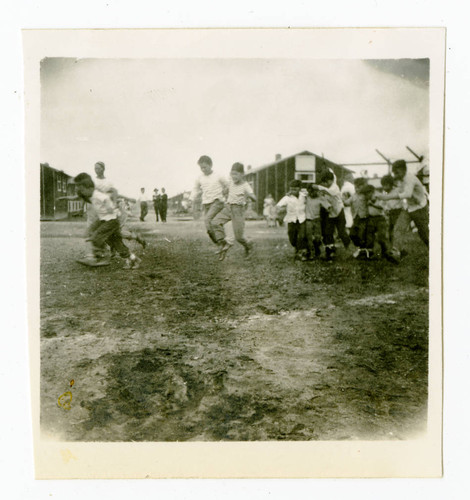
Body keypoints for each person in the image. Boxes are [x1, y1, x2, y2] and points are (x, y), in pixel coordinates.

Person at [73, 173, 141, 269]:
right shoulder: (90, 196)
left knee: (97, 236)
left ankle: (100, 257)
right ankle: (135, 260)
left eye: (83, 190)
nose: (83, 193)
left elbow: (106, 198)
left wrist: (110, 207)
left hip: (111, 221)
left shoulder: (97, 195)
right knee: (117, 244)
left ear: (89, 188)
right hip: (105, 220)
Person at [376, 160, 429, 247]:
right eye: (394, 173)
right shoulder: (401, 180)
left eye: (397, 173)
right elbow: (398, 191)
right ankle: (396, 252)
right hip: (409, 208)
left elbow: (407, 194)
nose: (395, 175)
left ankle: (434, 252)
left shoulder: (410, 178)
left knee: (424, 234)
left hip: (420, 208)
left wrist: (387, 197)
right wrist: (384, 196)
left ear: (404, 170)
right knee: (398, 229)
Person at [212, 163, 256, 260]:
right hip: (228, 208)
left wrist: (249, 196)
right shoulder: (230, 183)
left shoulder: (245, 185)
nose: (233, 176)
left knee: (239, 237)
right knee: (215, 222)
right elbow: (226, 191)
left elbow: (254, 198)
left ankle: (249, 246)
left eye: (236, 174)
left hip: (238, 210)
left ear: (242, 174)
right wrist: (224, 191)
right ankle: (222, 243)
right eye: (232, 174)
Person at [191, 155, 229, 245]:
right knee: (209, 226)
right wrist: (191, 198)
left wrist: (225, 193)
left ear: (210, 165)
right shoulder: (200, 178)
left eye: (205, 167)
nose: (203, 169)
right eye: (201, 168)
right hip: (206, 203)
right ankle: (220, 242)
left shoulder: (218, 175)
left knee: (207, 220)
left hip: (217, 202)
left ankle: (221, 241)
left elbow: (227, 185)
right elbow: (195, 188)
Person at [316, 171, 351, 261]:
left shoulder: (334, 187)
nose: (325, 184)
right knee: (328, 232)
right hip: (331, 213)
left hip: (339, 212)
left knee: (341, 232)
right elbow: (321, 198)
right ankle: (330, 251)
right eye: (323, 182)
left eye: (326, 182)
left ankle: (352, 250)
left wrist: (319, 187)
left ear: (332, 180)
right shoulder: (324, 189)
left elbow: (330, 192)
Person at [276, 179, 307, 260]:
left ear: (300, 188)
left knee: (302, 235)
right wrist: (282, 210)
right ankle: (297, 247)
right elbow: (278, 206)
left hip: (302, 218)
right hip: (291, 219)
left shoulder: (304, 196)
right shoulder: (287, 197)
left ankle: (302, 252)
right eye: (291, 189)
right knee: (292, 236)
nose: (293, 191)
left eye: (295, 189)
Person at [305, 185, 330, 260]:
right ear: (309, 191)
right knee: (309, 237)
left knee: (317, 237)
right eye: (311, 191)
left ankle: (317, 249)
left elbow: (328, 207)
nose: (313, 193)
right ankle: (310, 253)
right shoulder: (306, 197)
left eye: (315, 191)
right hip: (308, 220)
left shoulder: (320, 198)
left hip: (317, 219)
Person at [380, 174, 404, 246]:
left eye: (386, 185)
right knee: (390, 229)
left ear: (391, 184)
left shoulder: (397, 190)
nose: (384, 187)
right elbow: (382, 203)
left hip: (398, 211)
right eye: (383, 185)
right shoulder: (384, 193)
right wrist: (385, 209)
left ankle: (397, 245)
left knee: (396, 229)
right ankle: (391, 244)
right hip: (390, 212)